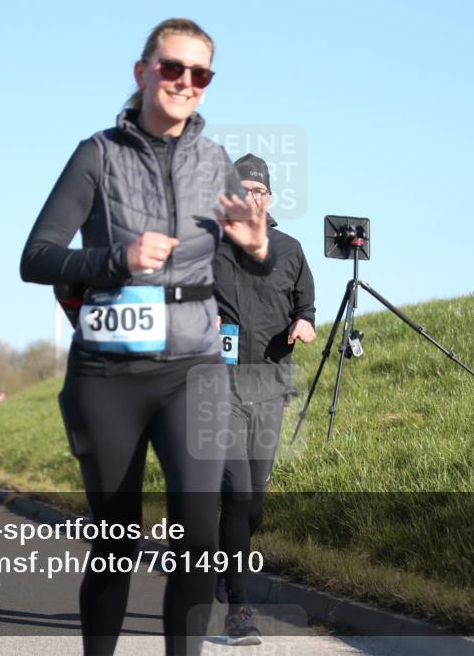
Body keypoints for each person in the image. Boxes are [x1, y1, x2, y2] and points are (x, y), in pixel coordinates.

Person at [20, 18, 273, 656]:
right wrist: (118, 259)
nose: (185, 82)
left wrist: (257, 247)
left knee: (199, 537)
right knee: (117, 540)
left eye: (200, 73)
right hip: (109, 371)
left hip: (194, 366)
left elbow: (252, 264)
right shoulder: (97, 154)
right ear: (142, 72)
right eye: (172, 67)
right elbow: (36, 258)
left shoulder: (215, 161)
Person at [212, 153, 317, 645]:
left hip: (271, 385)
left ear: (269, 198)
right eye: (242, 190)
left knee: (254, 503)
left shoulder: (290, 250)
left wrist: (304, 323)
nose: (251, 198)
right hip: (220, 386)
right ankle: (239, 609)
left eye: (258, 191)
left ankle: (225, 564)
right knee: (237, 494)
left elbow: (305, 305)